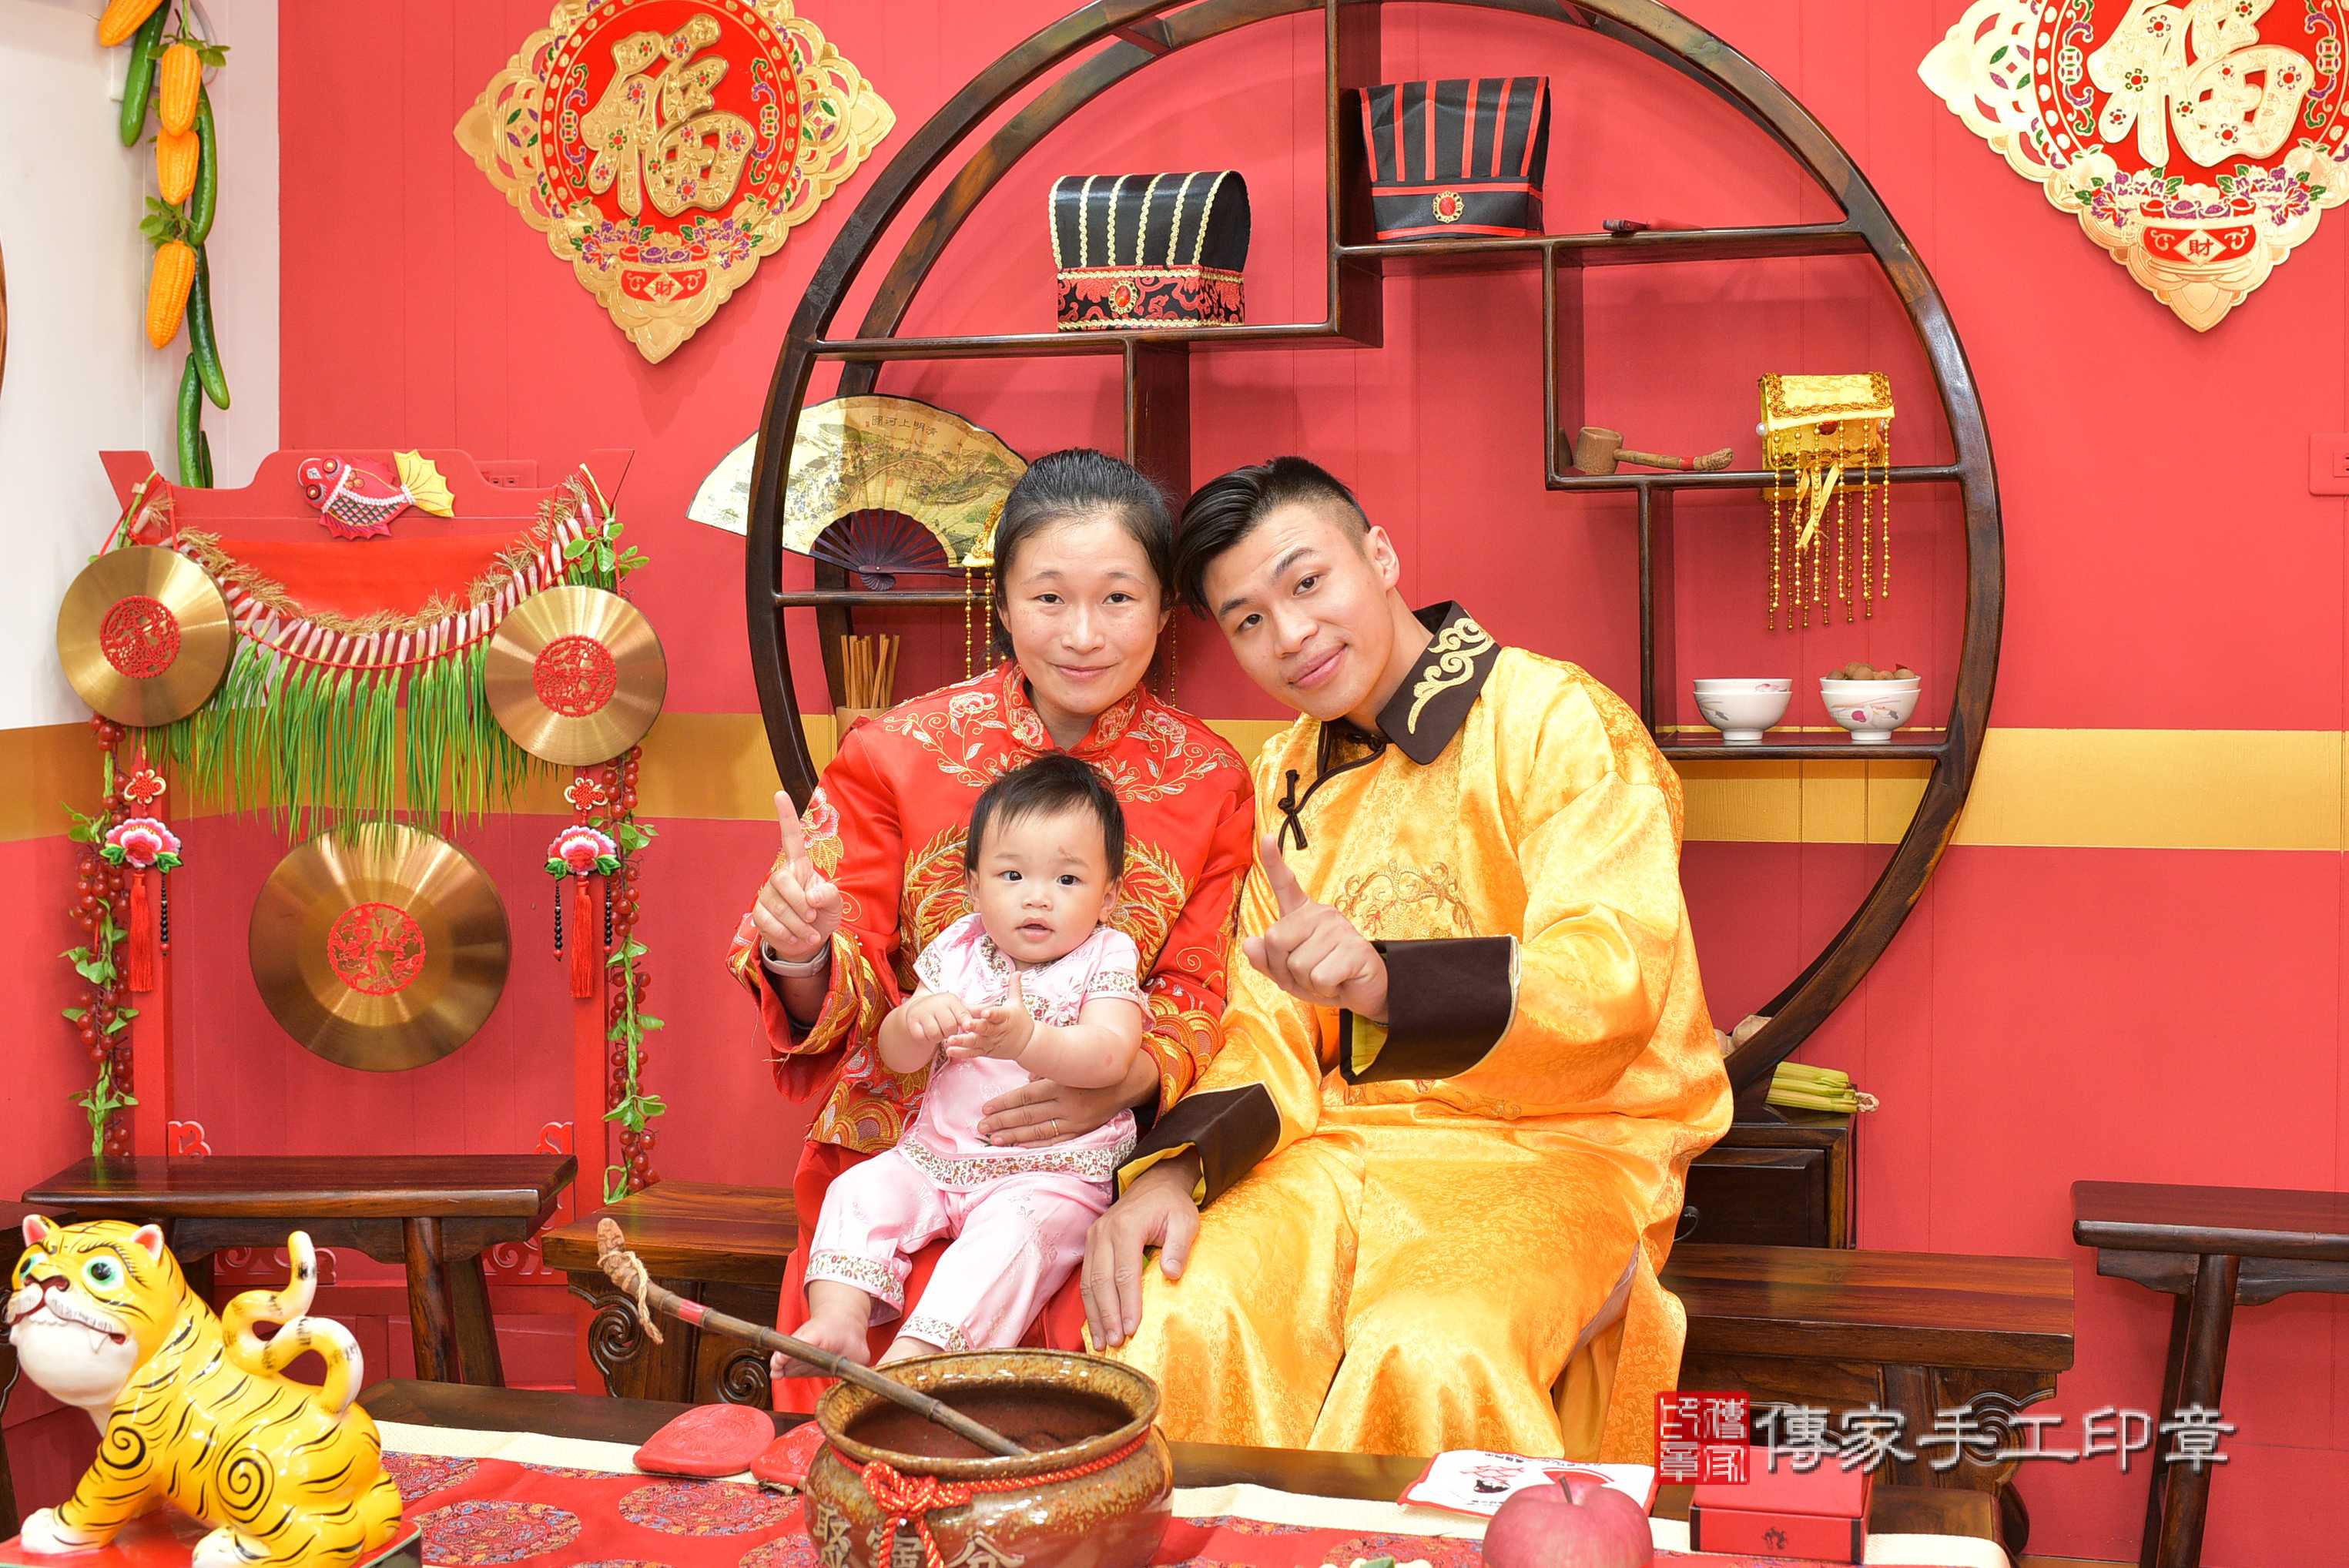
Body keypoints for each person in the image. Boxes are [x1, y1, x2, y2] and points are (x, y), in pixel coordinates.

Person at [1080, 456, 1732, 1461]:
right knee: (1172, 1310)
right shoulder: (1284, 772)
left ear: (1378, 556)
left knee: (1429, 1347)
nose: (1290, 634)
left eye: (1307, 583)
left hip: (1560, 1147)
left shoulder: (1555, 721)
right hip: (1340, 1151)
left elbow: (1613, 978)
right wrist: (1174, 1172)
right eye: (1247, 620)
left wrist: (1391, 984)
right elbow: (1265, 1030)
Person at [724, 448, 1255, 1408]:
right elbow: (846, 973)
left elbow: (1199, 986)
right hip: (907, 1145)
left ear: (1163, 607)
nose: (1082, 634)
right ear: (1002, 603)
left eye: (1118, 598)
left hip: (1098, 1169)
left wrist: (1118, 1077)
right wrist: (798, 947)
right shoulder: (895, 753)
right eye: (1049, 597)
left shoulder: (1210, 779)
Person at [789, 753, 1151, 1364]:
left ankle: (918, 1356)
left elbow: (1112, 1055)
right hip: (936, 1157)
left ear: (1108, 896)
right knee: (858, 1191)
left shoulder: (1105, 954)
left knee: (1012, 1240)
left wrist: (1030, 1042)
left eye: (1067, 881)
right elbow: (897, 1056)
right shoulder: (959, 946)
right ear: (974, 887)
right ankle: (838, 1320)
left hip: (1051, 1173)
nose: (1037, 898)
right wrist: (913, 1024)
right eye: (1012, 875)